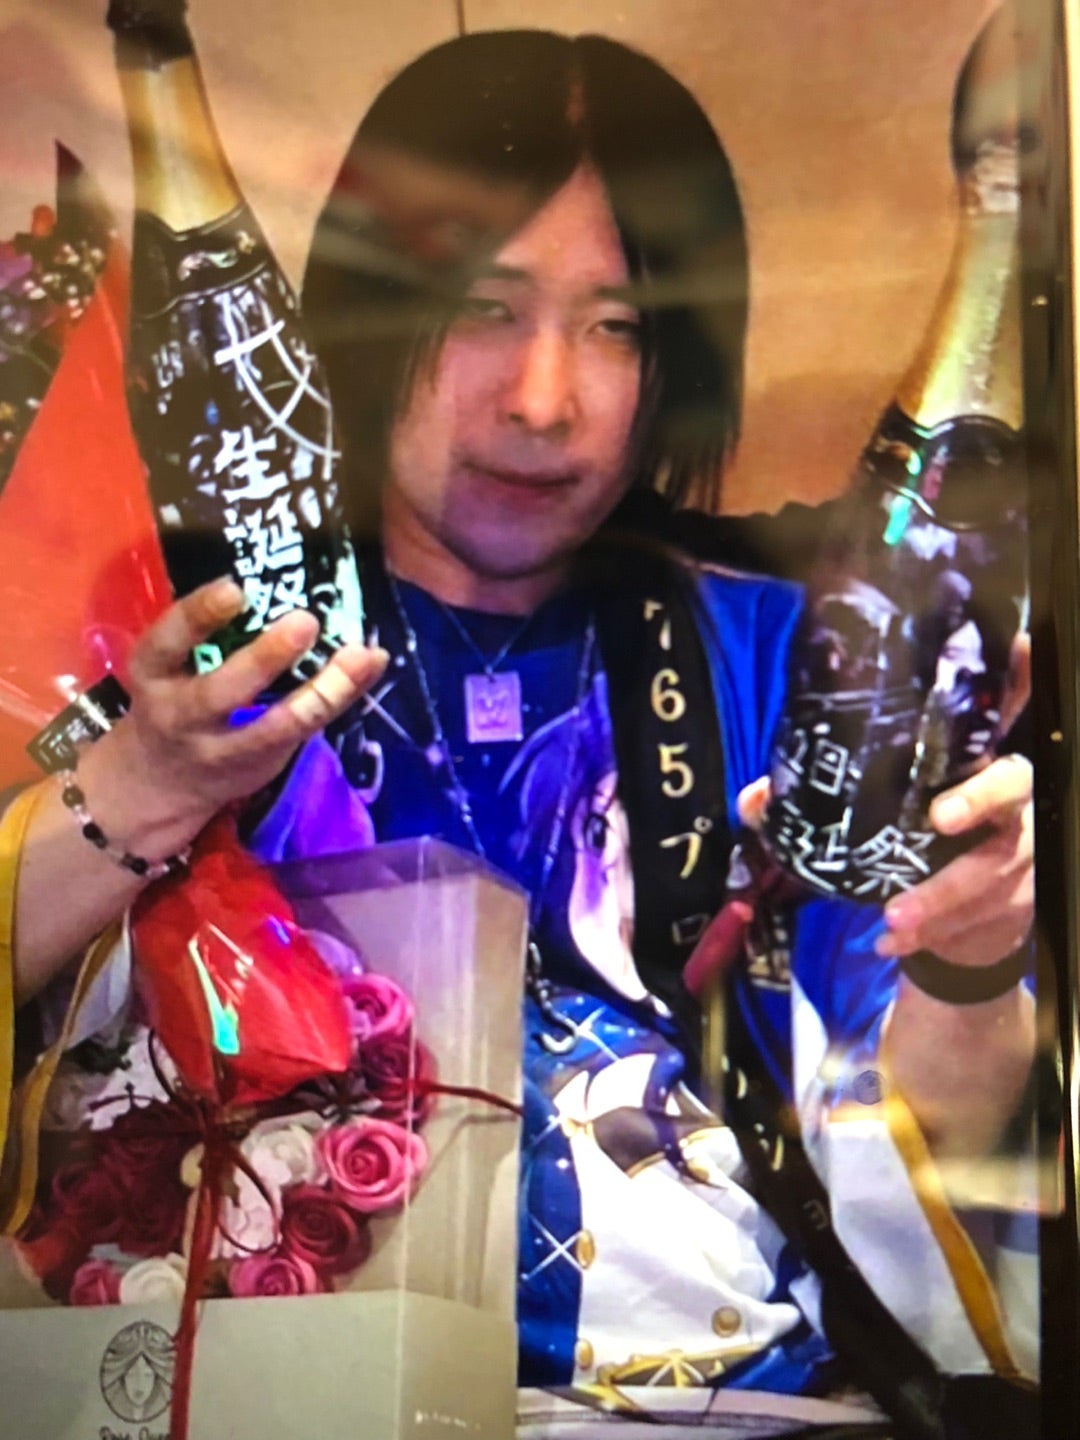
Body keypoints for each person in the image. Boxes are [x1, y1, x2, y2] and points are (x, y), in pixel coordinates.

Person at [3, 29, 1036, 1428]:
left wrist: (973, 955)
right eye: (487, 307)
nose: (544, 399)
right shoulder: (208, 630)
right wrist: (140, 781)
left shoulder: (784, 657)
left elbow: (937, 1139)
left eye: (617, 327)